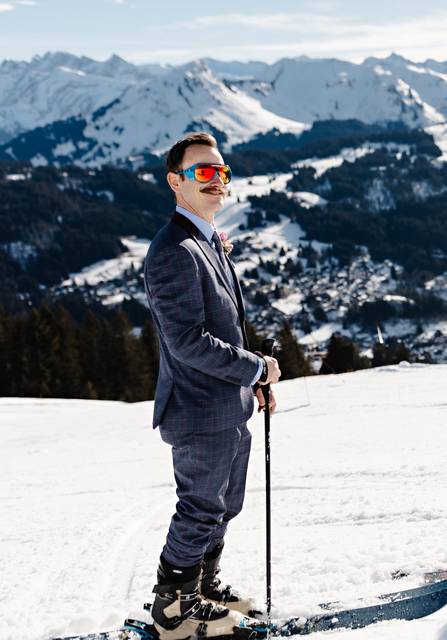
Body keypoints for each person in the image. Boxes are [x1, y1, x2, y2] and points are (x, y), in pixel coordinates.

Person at [143, 132, 281, 639]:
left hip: (228, 403)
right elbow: (187, 341)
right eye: (203, 172)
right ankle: (173, 609)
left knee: (224, 505)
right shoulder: (174, 250)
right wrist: (256, 368)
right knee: (200, 507)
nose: (217, 181)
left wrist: (251, 384)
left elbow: (225, 325)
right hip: (199, 409)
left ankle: (201, 587)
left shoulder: (206, 239)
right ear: (175, 181)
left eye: (222, 172)